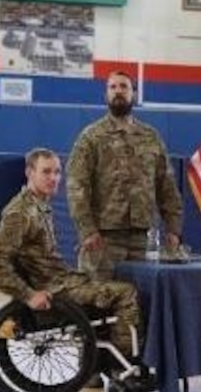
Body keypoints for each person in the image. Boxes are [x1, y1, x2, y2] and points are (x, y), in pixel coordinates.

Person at [0, 148, 141, 365]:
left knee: (104, 278)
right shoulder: (21, 212)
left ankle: (94, 367)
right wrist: (28, 295)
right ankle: (123, 364)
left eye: (57, 172)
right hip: (56, 289)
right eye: (46, 172)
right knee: (127, 293)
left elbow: (36, 256)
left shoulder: (39, 205)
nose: (54, 178)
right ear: (29, 172)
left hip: (61, 281)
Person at [66, 71, 184, 280]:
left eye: (124, 86)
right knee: (97, 302)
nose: (118, 91)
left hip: (144, 239)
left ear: (134, 94)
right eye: (113, 87)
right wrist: (87, 231)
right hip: (103, 239)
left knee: (143, 304)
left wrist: (174, 229)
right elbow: (77, 187)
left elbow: (167, 186)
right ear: (106, 95)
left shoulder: (151, 137)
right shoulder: (91, 137)